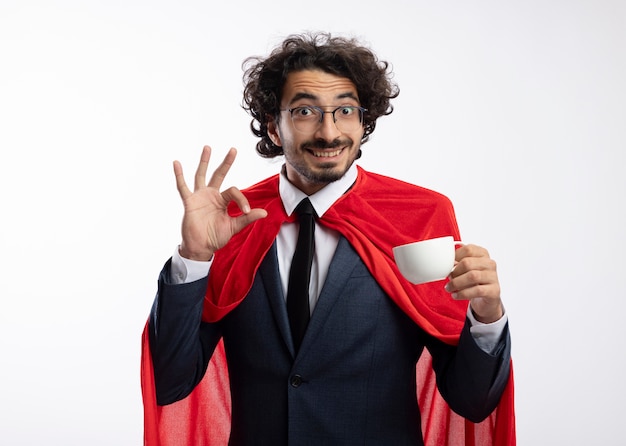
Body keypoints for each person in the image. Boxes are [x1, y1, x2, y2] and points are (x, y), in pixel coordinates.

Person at [141, 32, 515, 445]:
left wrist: (486, 314)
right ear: (274, 127)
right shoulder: (233, 221)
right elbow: (171, 382)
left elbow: (473, 401)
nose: (329, 131)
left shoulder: (419, 215)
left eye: (345, 111)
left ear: (363, 121)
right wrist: (194, 256)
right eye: (305, 111)